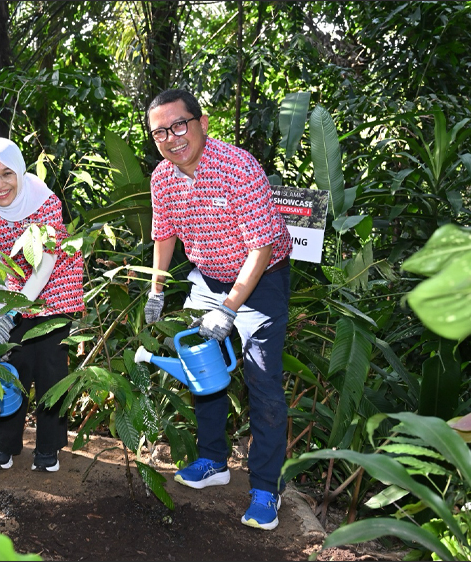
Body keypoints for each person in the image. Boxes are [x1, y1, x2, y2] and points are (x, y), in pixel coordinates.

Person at [143, 89, 293, 530]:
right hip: (207, 278)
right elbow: (164, 235)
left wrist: (229, 309)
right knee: (201, 368)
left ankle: (266, 488)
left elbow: (262, 248)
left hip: (261, 279)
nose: (172, 138)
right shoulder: (162, 178)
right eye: (160, 132)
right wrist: (156, 291)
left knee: (262, 382)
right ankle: (213, 460)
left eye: (179, 125)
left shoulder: (237, 167)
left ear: (202, 123)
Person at [0, 137, 84, 472]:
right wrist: (0, 319)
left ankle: (48, 447)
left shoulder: (45, 202)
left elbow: (45, 264)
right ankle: (5, 444)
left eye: (7, 174)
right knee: (11, 365)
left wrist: (13, 311)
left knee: (50, 366)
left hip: (56, 286)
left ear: (19, 171)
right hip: (12, 288)